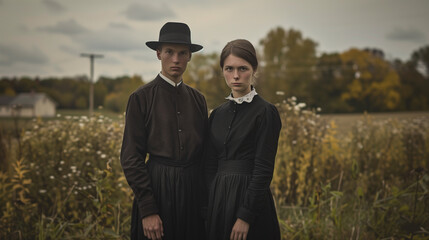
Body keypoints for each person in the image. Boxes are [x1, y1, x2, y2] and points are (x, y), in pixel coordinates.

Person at [121, 22, 208, 240]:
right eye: (169, 52)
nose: (176, 59)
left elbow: (207, 155)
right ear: (159, 54)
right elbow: (131, 157)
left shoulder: (199, 100)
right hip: (157, 190)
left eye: (182, 53)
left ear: (190, 56)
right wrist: (148, 209)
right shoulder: (140, 98)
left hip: (193, 194)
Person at [204, 39, 282, 240]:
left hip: (250, 201)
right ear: (222, 70)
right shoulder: (217, 114)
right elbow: (210, 165)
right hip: (219, 200)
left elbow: (263, 169)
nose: (236, 75)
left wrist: (245, 216)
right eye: (229, 68)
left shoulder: (266, 112)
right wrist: (213, 199)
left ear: (254, 69)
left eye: (243, 68)